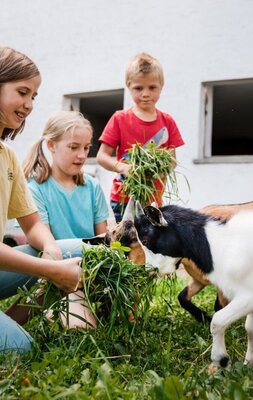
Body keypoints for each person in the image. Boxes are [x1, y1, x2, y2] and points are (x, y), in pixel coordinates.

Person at [0, 46, 83, 353]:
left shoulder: (7, 155)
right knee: (22, 351)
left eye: (33, 96)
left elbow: (32, 222)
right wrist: (50, 270)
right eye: (22, 92)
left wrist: (50, 251)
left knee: (79, 251)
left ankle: (11, 323)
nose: (29, 104)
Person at [22, 110, 110, 328]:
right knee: (76, 326)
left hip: (89, 273)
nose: (82, 155)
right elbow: (45, 243)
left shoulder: (92, 187)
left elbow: (104, 237)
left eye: (86, 148)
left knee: (84, 328)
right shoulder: (35, 190)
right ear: (51, 145)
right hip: (52, 272)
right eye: (73, 147)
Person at [96, 52, 185, 222]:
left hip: (153, 201)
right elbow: (102, 156)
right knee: (124, 246)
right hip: (123, 199)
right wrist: (122, 167)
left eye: (152, 87)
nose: (145, 94)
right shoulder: (120, 119)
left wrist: (156, 168)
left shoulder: (167, 122)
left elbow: (172, 162)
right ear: (129, 87)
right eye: (138, 88)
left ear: (161, 87)